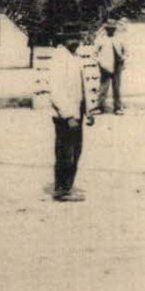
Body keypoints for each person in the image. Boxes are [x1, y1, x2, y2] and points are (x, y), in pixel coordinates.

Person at [48, 32, 92, 202]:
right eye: (72, 38)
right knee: (65, 152)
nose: (76, 41)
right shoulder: (59, 58)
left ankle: (68, 186)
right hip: (65, 115)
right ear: (64, 39)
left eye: (78, 38)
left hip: (77, 112)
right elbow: (56, 91)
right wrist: (68, 116)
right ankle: (61, 189)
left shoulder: (74, 56)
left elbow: (82, 86)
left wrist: (88, 111)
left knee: (75, 151)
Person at [93, 19, 126, 115]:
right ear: (106, 29)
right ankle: (100, 107)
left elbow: (126, 52)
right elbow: (94, 53)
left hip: (117, 65)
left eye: (112, 29)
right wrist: (99, 62)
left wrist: (123, 58)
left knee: (116, 88)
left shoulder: (120, 39)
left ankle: (118, 107)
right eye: (108, 29)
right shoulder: (101, 39)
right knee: (103, 87)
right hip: (105, 66)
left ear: (115, 29)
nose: (110, 31)